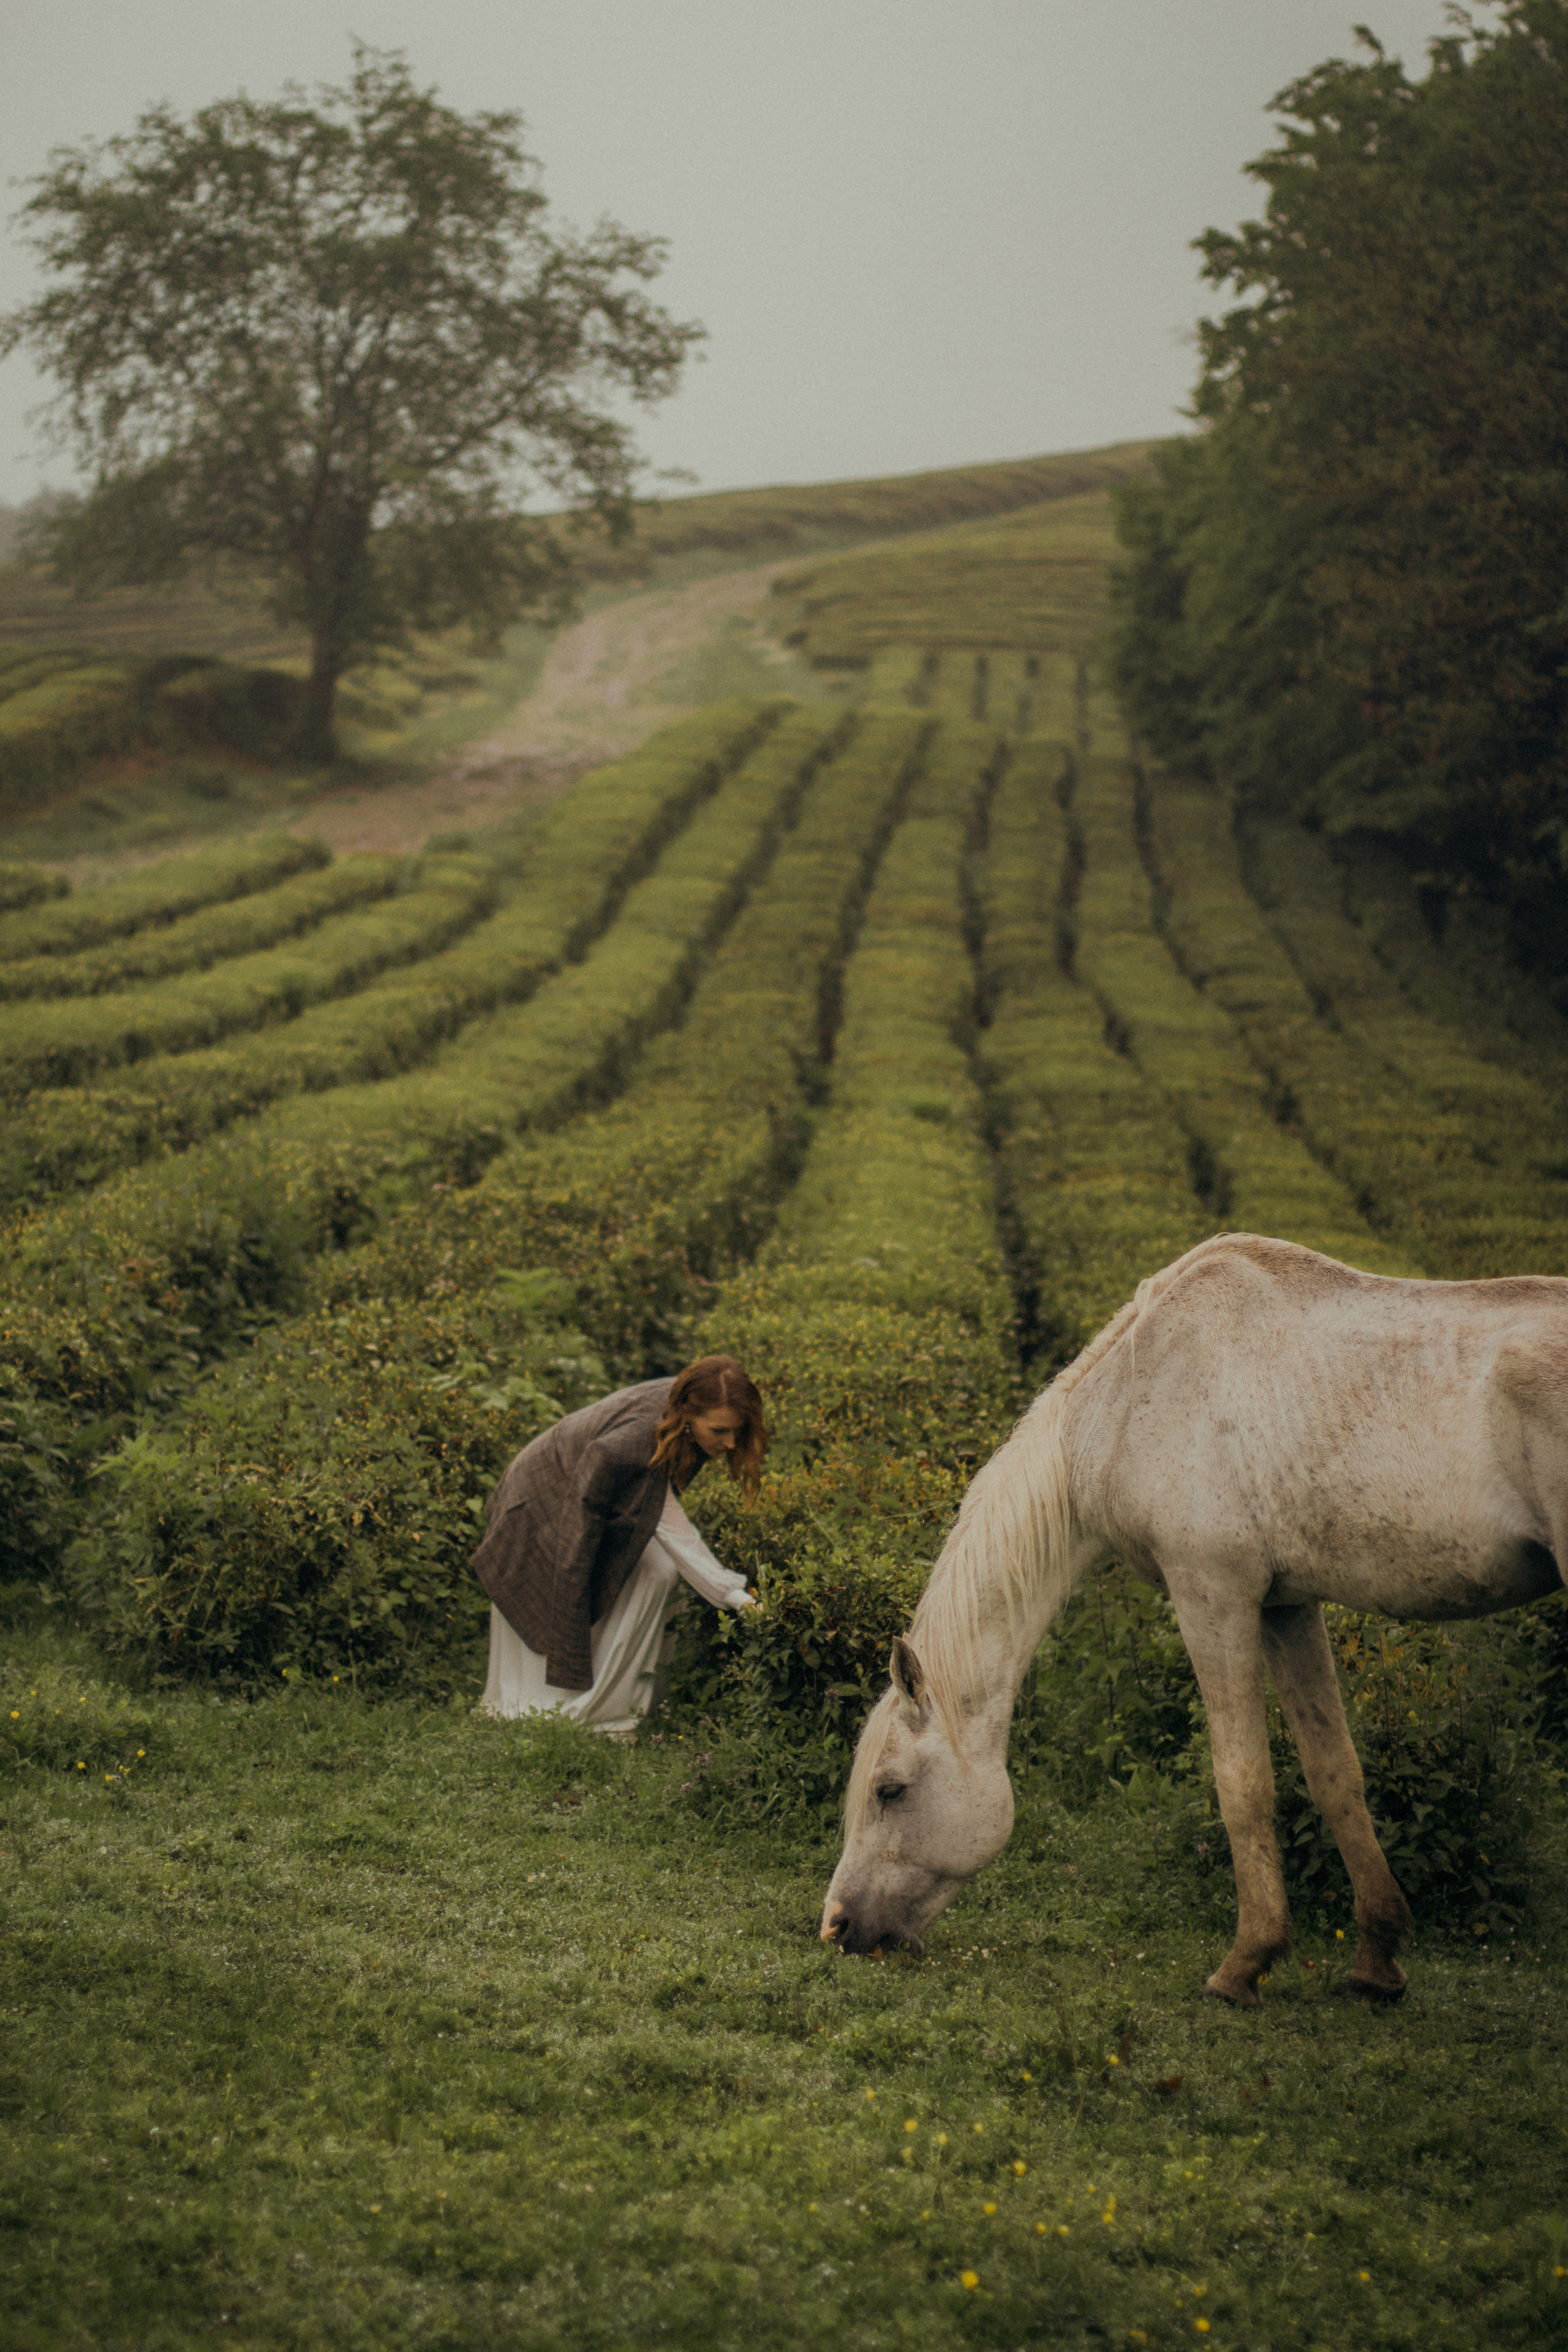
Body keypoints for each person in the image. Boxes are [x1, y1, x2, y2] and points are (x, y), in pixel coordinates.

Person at [474, 1354, 764, 1733]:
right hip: (541, 1496)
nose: (730, 1443)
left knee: (660, 1572)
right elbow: (675, 1532)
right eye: (720, 1431)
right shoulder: (633, 1446)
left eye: (737, 1432)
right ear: (689, 1416)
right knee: (561, 1580)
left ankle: (620, 1699)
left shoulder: (683, 1406)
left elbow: (657, 1513)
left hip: (584, 1483)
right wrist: (736, 1597)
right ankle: (545, 1707)